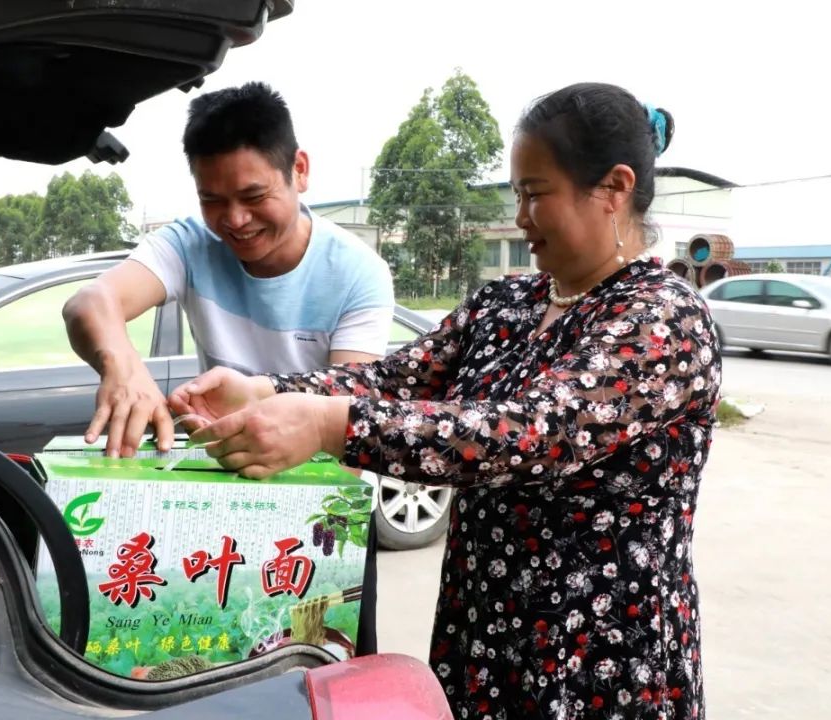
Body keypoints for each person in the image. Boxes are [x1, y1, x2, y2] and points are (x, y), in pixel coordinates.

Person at [170, 82, 722, 719]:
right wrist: (267, 389)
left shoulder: (664, 319)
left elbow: (525, 434)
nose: (520, 217)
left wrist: (327, 425)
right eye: (518, 194)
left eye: (536, 194)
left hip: (598, 654)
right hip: (482, 632)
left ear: (614, 188)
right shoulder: (509, 303)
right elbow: (394, 380)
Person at [63, 81, 393, 656]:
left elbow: (352, 397)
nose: (234, 220)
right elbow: (90, 304)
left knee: (309, 670)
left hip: (315, 521)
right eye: (212, 200)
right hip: (219, 507)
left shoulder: (357, 272)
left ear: (300, 170)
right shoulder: (190, 244)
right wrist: (124, 368)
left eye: (253, 194)